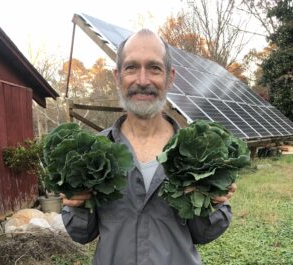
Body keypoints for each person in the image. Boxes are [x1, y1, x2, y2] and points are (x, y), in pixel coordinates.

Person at [61, 29, 237, 265]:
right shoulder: (93, 153)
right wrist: (77, 204)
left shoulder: (199, 153)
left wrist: (213, 202)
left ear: (170, 77)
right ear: (117, 76)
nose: (142, 81)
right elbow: (82, 234)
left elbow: (204, 234)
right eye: (131, 67)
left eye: (154, 68)